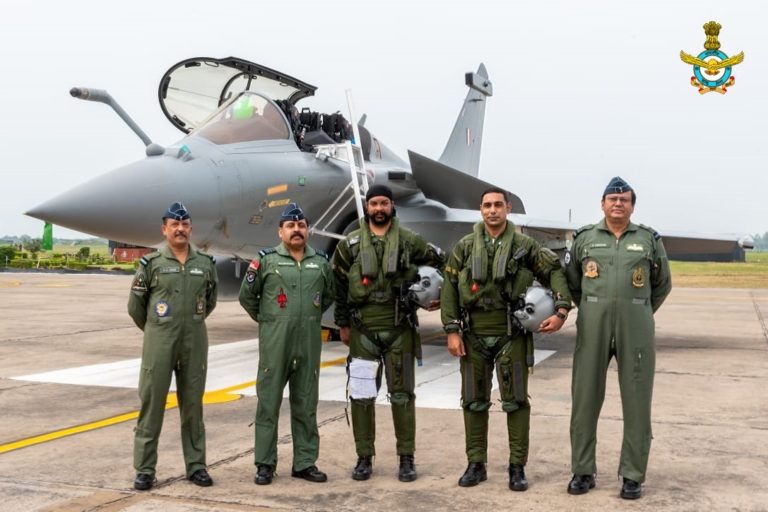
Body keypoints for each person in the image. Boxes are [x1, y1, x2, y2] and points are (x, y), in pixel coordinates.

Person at [441, 187, 572, 491]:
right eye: (487, 205)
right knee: (473, 401)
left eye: (498, 205)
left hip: (512, 334)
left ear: (508, 208)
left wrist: (561, 309)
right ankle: (476, 464)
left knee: (515, 402)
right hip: (473, 335)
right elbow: (449, 287)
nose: (492, 210)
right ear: (480, 209)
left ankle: (517, 467)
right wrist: (451, 329)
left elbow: (554, 272)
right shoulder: (464, 247)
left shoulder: (526, 247)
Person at [565, 177, 672, 500]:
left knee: (638, 403)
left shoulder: (649, 240)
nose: (618, 204)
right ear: (602, 204)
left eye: (624, 200)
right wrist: (591, 308)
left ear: (632, 206)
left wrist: (638, 311)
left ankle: (632, 475)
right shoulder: (584, 239)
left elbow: (662, 284)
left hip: (635, 327)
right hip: (593, 325)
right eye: (612, 199)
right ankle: (583, 471)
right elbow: (573, 283)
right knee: (584, 399)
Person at [332, 184, 445, 482]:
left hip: (400, 328)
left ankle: (406, 458)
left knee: (403, 396)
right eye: (374, 204)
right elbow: (339, 285)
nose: (379, 209)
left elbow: (445, 264)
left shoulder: (410, 241)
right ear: (367, 208)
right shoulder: (351, 244)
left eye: (384, 203)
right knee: (362, 396)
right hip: (362, 331)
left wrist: (439, 295)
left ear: (392, 206)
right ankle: (364, 458)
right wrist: (342, 324)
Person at [239, 203, 334, 485]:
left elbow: (328, 296)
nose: (296, 230)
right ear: (281, 231)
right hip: (275, 345)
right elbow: (247, 296)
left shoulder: (320, 261)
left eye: (301, 225)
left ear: (307, 231)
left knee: (306, 403)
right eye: (290, 226)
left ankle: (305, 462)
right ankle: (265, 464)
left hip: (307, 344)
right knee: (268, 404)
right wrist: (270, 321)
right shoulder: (265, 260)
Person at [128, 202, 218, 490]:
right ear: (164, 229)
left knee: (193, 405)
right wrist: (156, 329)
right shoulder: (151, 264)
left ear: (190, 228)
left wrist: (187, 323)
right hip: (160, 341)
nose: (180, 229)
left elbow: (210, 300)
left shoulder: (204, 263)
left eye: (185, 224)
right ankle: (144, 470)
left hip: (194, 340)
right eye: (174, 224)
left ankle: (196, 466)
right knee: (152, 404)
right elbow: (135, 306)